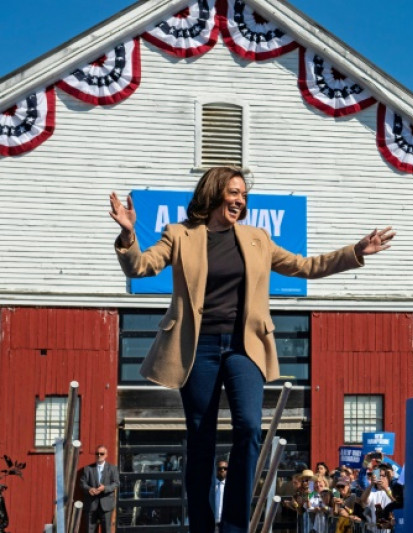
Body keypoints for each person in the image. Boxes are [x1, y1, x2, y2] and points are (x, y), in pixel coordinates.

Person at [109, 166, 395, 533]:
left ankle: (233, 527)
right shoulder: (179, 235)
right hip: (198, 348)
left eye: (243, 194)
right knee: (201, 436)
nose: (239, 199)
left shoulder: (257, 238)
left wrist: (356, 251)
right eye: (233, 192)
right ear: (213, 194)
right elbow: (142, 267)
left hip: (245, 347)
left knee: (248, 425)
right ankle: (200, 525)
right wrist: (128, 233)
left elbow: (305, 266)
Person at [80, 445, 119, 533]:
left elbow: (116, 483)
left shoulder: (112, 468)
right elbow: (82, 483)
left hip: (106, 505)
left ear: (106, 455)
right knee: (90, 530)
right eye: (97, 453)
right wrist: (89, 489)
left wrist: (104, 488)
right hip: (91, 504)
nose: (99, 455)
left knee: (106, 530)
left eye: (102, 453)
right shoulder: (88, 469)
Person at [214, 460, 228, 530]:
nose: (222, 470)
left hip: (225, 523)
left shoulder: (230, 487)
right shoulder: (210, 486)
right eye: (220, 468)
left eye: (225, 468)